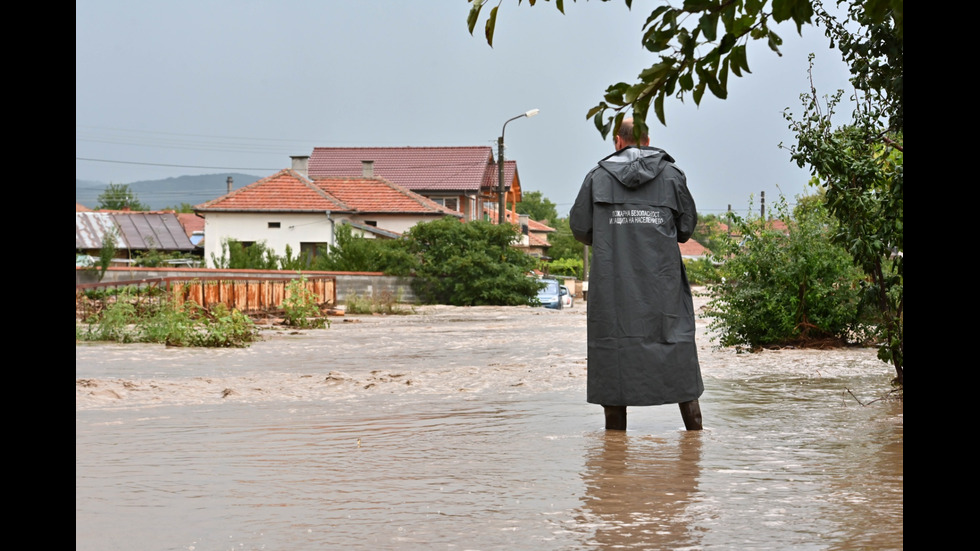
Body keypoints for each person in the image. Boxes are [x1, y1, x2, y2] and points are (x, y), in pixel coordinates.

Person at [569, 118, 703, 431]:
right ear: (647, 140)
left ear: (618, 141)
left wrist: (611, 235)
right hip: (665, 295)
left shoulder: (597, 177)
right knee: (678, 356)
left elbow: (580, 229)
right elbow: (685, 230)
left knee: (614, 365)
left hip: (613, 294)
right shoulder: (672, 175)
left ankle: (614, 462)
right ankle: (695, 440)